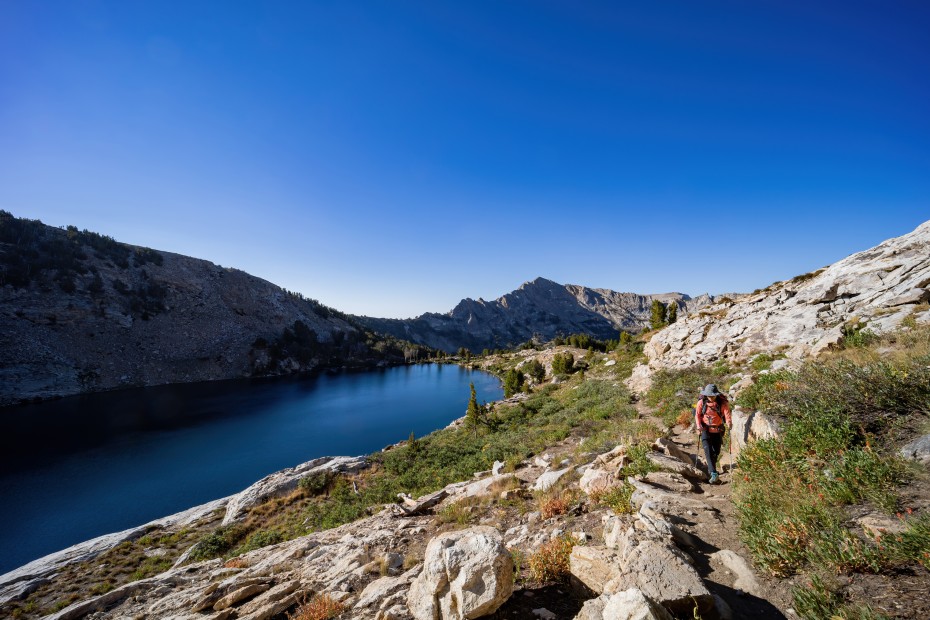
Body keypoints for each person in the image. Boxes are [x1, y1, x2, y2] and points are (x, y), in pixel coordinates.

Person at [694, 384, 732, 484]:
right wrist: (699, 426)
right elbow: (697, 415)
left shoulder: (722, 403)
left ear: (716, 395)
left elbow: (727, 414)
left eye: (712, 395)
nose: (710, 397)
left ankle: (711, 469)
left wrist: (729, 423)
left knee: (716, 452)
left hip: (718, 430)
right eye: (709, 395)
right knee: (708, 450)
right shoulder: (701, 402)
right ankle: (714, 473)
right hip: (705, 429)